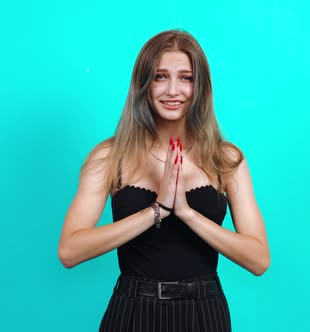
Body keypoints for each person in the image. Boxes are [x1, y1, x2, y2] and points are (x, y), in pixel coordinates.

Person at [58, 29, 270, 332]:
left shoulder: (226, 159)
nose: (173, 89)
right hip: (132, 311)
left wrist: (185, 212)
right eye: (160, 77)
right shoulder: (109, 156)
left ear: (200, 87)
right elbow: (69, 251)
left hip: (204, 313)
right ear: (143, 84)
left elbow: (259, 259)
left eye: (186, 77)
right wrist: (156, 211)